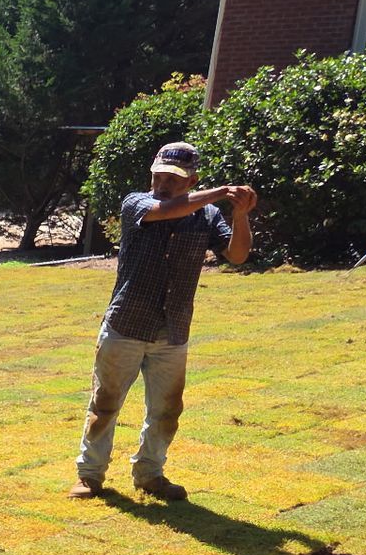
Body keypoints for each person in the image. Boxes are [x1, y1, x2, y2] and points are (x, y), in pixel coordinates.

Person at [70, 141, 255, 502]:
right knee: (105, 404)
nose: (164, 183)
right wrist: (219, 192)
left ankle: (150, 474)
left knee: (167, 410)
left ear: (191, 180)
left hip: (173, 330)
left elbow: (237, 255)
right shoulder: (136, 203)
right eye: (160, 176)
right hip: (126, 323)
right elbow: (165, 210)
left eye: (175, 179)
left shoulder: (208, 216)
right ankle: (89, 475)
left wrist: (240, 214)